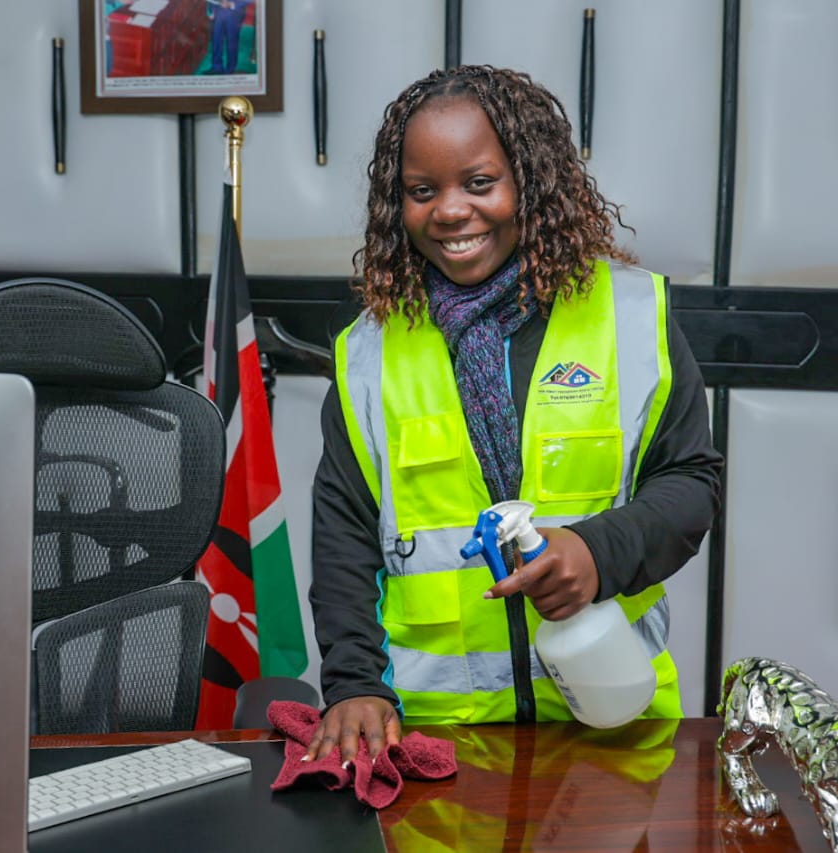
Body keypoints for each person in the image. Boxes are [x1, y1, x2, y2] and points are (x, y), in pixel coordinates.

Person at [305, 65, 723, 767]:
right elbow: (344, 533)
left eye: (479, 182)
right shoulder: (368, 353)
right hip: (437, 741)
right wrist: (354, 685)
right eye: (421, 191)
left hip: (611, 729)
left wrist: (595, 552)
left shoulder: (631, 315)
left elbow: (690, 484)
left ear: (531, 181)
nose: (450, 211)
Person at [206, 0, 250, 75]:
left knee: (232, 42)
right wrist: (211, 9)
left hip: (234, 13)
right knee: (216, 40)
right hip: (218, 11)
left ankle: (231, 69)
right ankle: (217, 67)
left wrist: (232, 4)